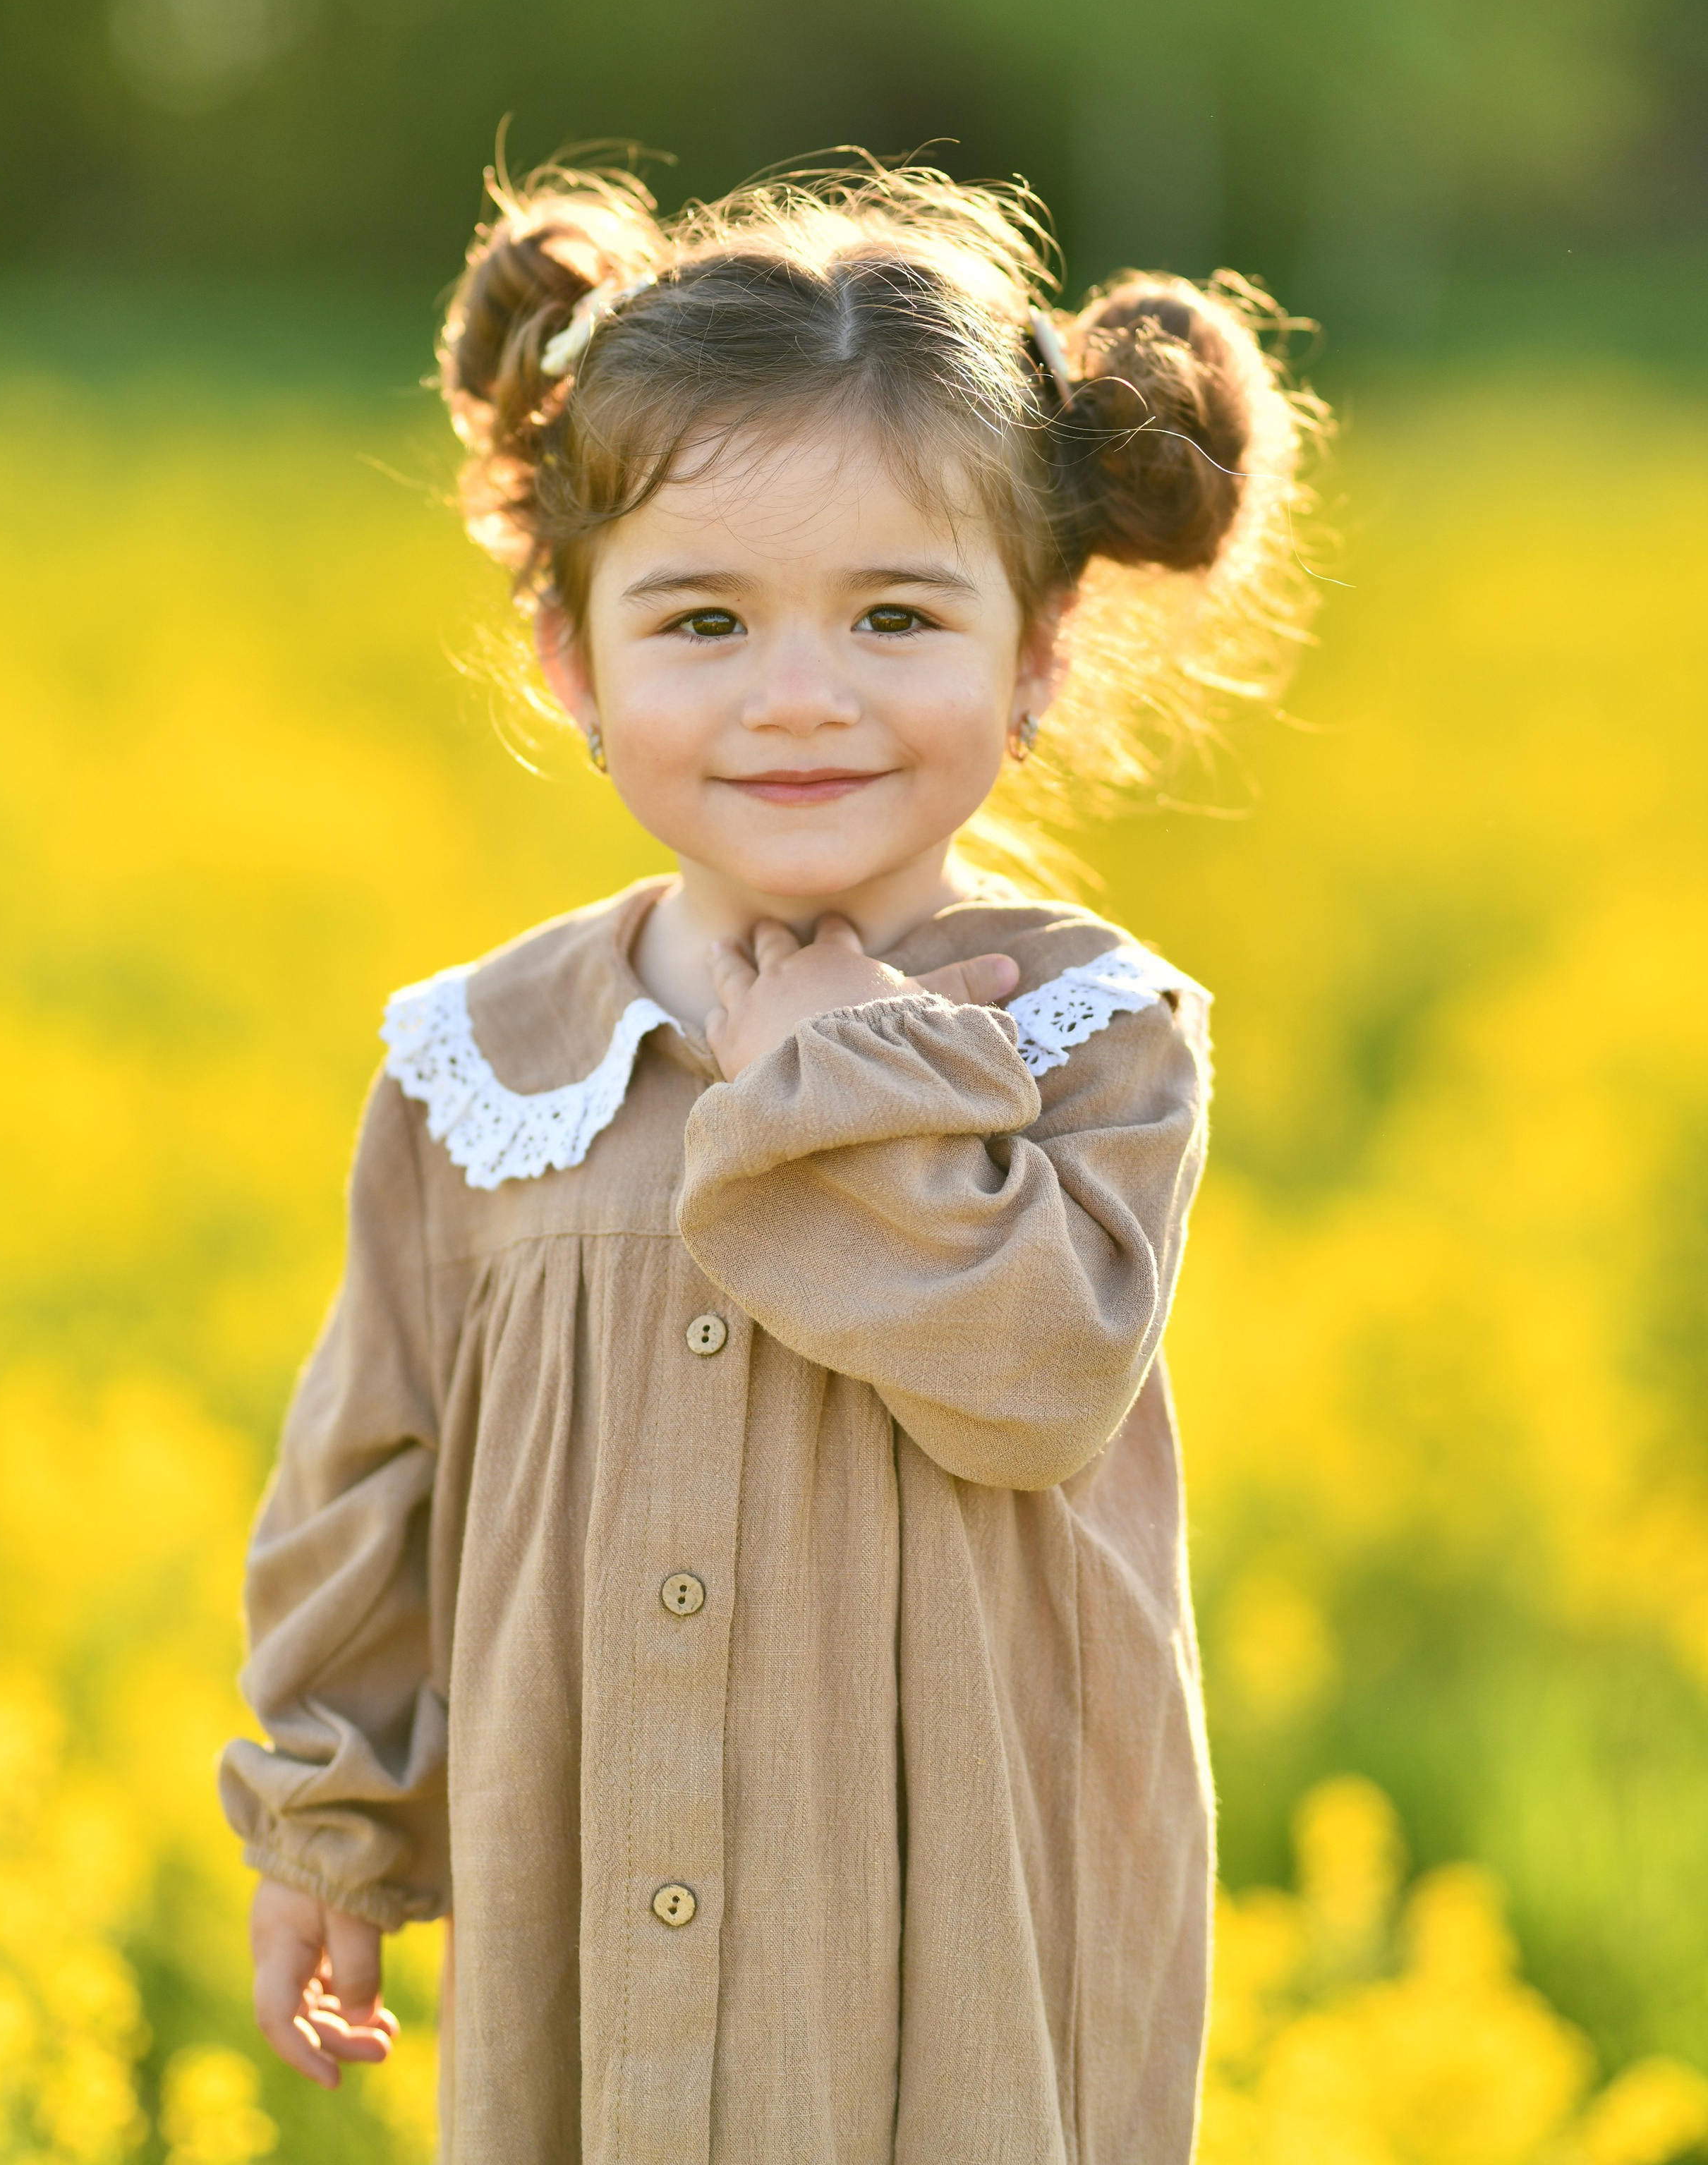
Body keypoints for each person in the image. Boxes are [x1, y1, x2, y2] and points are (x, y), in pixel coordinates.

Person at [219, 157, 1326, 2164]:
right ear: (570, 653)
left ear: (1037, 650)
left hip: (963, 1959)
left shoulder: (1090, 1034)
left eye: (896, 615)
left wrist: (841, 1079)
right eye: (704, 619)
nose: (799, 695)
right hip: (595, 1940)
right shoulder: (486, 1062)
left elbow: (1038, 1379)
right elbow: (369, 1465)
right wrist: (329, 1823)